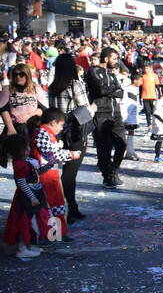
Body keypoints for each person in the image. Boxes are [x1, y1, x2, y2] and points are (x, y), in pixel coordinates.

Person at [46, 54, 90, 222]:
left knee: (64, 171)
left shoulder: (52, 86)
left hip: (56, 132)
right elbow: (84, 108)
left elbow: (51, 110)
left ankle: (69, 207)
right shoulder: (75, 84)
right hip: (74, 132)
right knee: (70, 172)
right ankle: (69, 208)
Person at [31, 108, 77, 245]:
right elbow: (53, 154)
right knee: (50, 205)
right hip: (45, 175)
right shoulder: (41, 133)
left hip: (51, 173)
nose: (61, 128)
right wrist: (71, 154)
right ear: (53, 122)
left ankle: (59, 233)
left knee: (58, 204)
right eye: (61, 125)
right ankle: (49, 235)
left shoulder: (47, 133)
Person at [84, 48, 127, 189]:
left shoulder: (111, 73)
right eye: (114, 58)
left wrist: (111, 91)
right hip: (101, 113)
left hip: (116, 113)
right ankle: (107, 176)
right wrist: (112, 90)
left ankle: (112, 169)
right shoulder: (93, 71)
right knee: (104, 148)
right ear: (106, 59)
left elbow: (121, 92)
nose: (117, 61)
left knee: (122, 144)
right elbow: (100, 90)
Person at [0, 132, 45, 260]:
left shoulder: (22, 162)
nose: (29, 149)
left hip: (28, 198)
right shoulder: (20, 164)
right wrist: (32, 197)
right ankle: (22, 249)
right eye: (26, 148)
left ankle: (28, 246)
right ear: (20, 150)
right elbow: (22, 183)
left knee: (30, 223)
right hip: (26, 200)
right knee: (24, 224)